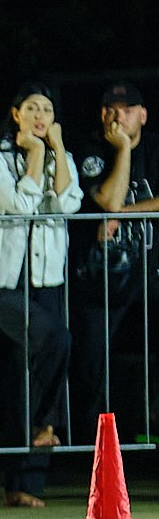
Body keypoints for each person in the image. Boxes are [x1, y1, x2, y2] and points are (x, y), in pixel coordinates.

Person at [0, 82, 81, 507]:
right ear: (16, 114)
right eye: (32, 108)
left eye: (47, 109)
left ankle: (25, 483)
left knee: (28, 372)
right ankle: (45, 425)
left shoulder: (62, 156)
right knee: (55, 340)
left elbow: (68, 203)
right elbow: (20, 204)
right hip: (1, 279)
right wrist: (36, 155)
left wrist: (54, 152)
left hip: (45, 277)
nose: (40, 115)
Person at [70, 81, 154, 446]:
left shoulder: (154, 149)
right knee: (92, 364)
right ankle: (96, 450)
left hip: (149, 272)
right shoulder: (91, 152)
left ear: (143, 115)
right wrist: (121, 149)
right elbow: (107, 198)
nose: (116, 115)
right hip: (100, 278)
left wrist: (126, 212)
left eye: (126, 108)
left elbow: (118, 207)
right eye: (110, 109)